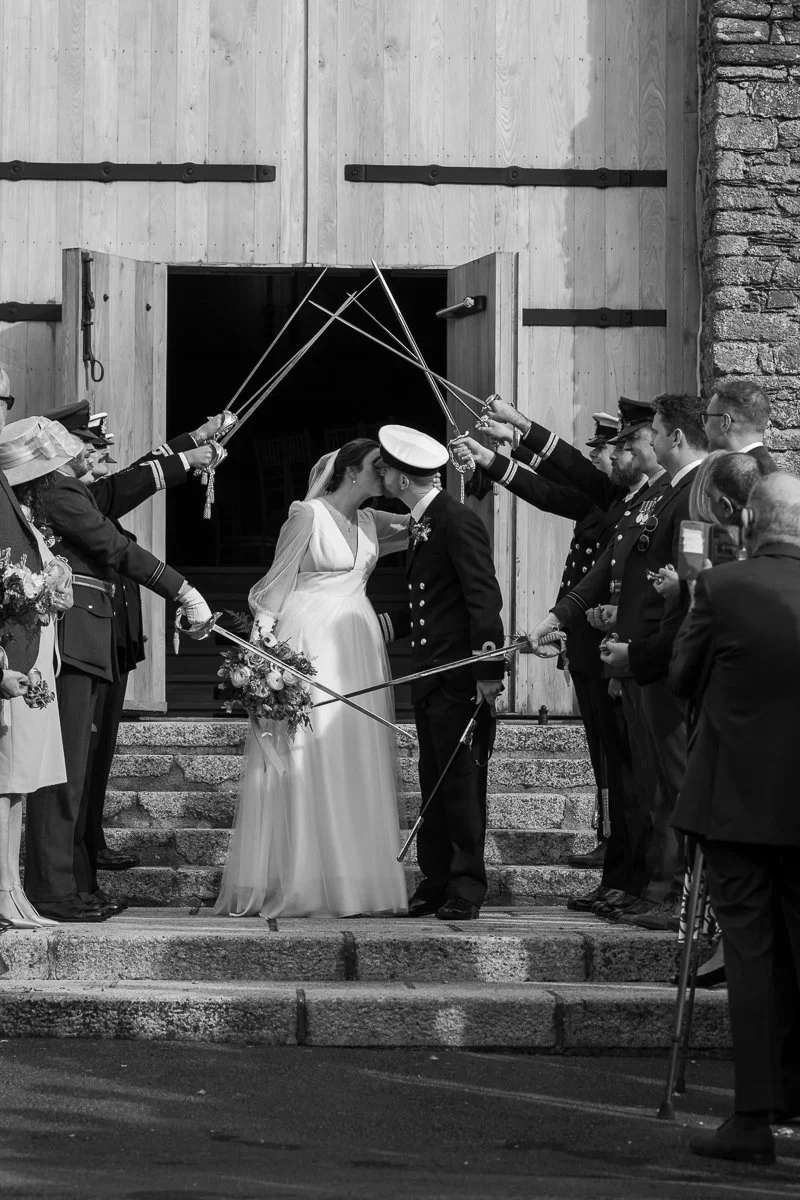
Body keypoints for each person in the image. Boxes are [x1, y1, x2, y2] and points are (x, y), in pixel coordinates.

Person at [451, 405, 650, 913]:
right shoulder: (618, 497)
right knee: (606, 756)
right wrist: (499, 454)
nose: (606, 457)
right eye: (610, 449)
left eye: (615, 448)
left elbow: (560, 484)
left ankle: (632, 873)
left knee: (624, 765)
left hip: (616, 648)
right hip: (589, 643)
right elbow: (551, 491)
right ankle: (617, 869)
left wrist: (519, 432)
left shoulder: (636, 499)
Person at [21, 419, 212, 923]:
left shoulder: (60, 489)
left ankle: (69, 884)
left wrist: (189, 445)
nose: (90, 454)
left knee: (76, 775)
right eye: (75, 445)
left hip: (90, 642)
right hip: (74, 644)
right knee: (62, 777)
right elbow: (113, 546)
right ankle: (53, 890)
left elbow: (118, 493)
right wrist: (181, 588)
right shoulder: (58, 491)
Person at [215, 438, 409, 919]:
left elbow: (429, 521)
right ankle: (302, 876)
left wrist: (463, 472)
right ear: (348, 471)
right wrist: (262, 656)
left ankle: (354, 877)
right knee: (309, 749)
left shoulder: (370, 521)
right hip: (309, 639)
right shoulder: (307, 514)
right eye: (377, 467)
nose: (384, 475)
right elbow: (275, 584)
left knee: (353, 750)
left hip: (357, 644)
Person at [670, 472, 800, 1165]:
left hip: (738, 804)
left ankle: (752, 1118)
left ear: (753, 522)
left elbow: (684, 677)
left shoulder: (723, 589)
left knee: (749, 958)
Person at [377, 425, 505, 922]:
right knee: (434, 781)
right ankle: (435, 880)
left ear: (403, 478)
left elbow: (482, 596)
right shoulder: (424, 521)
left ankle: (467, 885)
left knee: (461, 782)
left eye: (387, 469)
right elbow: (430, 603)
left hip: (458, 675)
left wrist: (488, 666)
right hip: (430, 676)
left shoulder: (455, 520)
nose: (383, 475)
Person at [0, 391, 66, 931]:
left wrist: (54, 589)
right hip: (12, 652)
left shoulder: (23, 514)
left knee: (21, 779)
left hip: (35, 650)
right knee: (6, 777)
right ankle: (5, 889)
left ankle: (15, 888)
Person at [702, 380, 778, 474]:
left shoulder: (739, 478)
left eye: (707, 418)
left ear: (725, 423)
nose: (704, 427)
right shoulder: (772, 473)